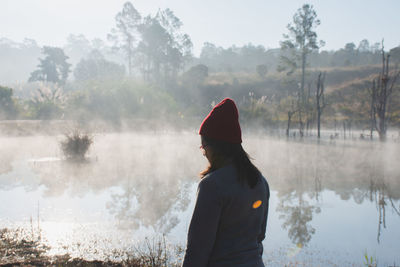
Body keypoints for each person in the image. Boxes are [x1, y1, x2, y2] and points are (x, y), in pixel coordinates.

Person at [182, 98, 270, 267]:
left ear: (215, 147)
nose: (203, 153)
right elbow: (259, 237)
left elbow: (198, 249)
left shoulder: (212, 186)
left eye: (204, 146)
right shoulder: (260, 182)